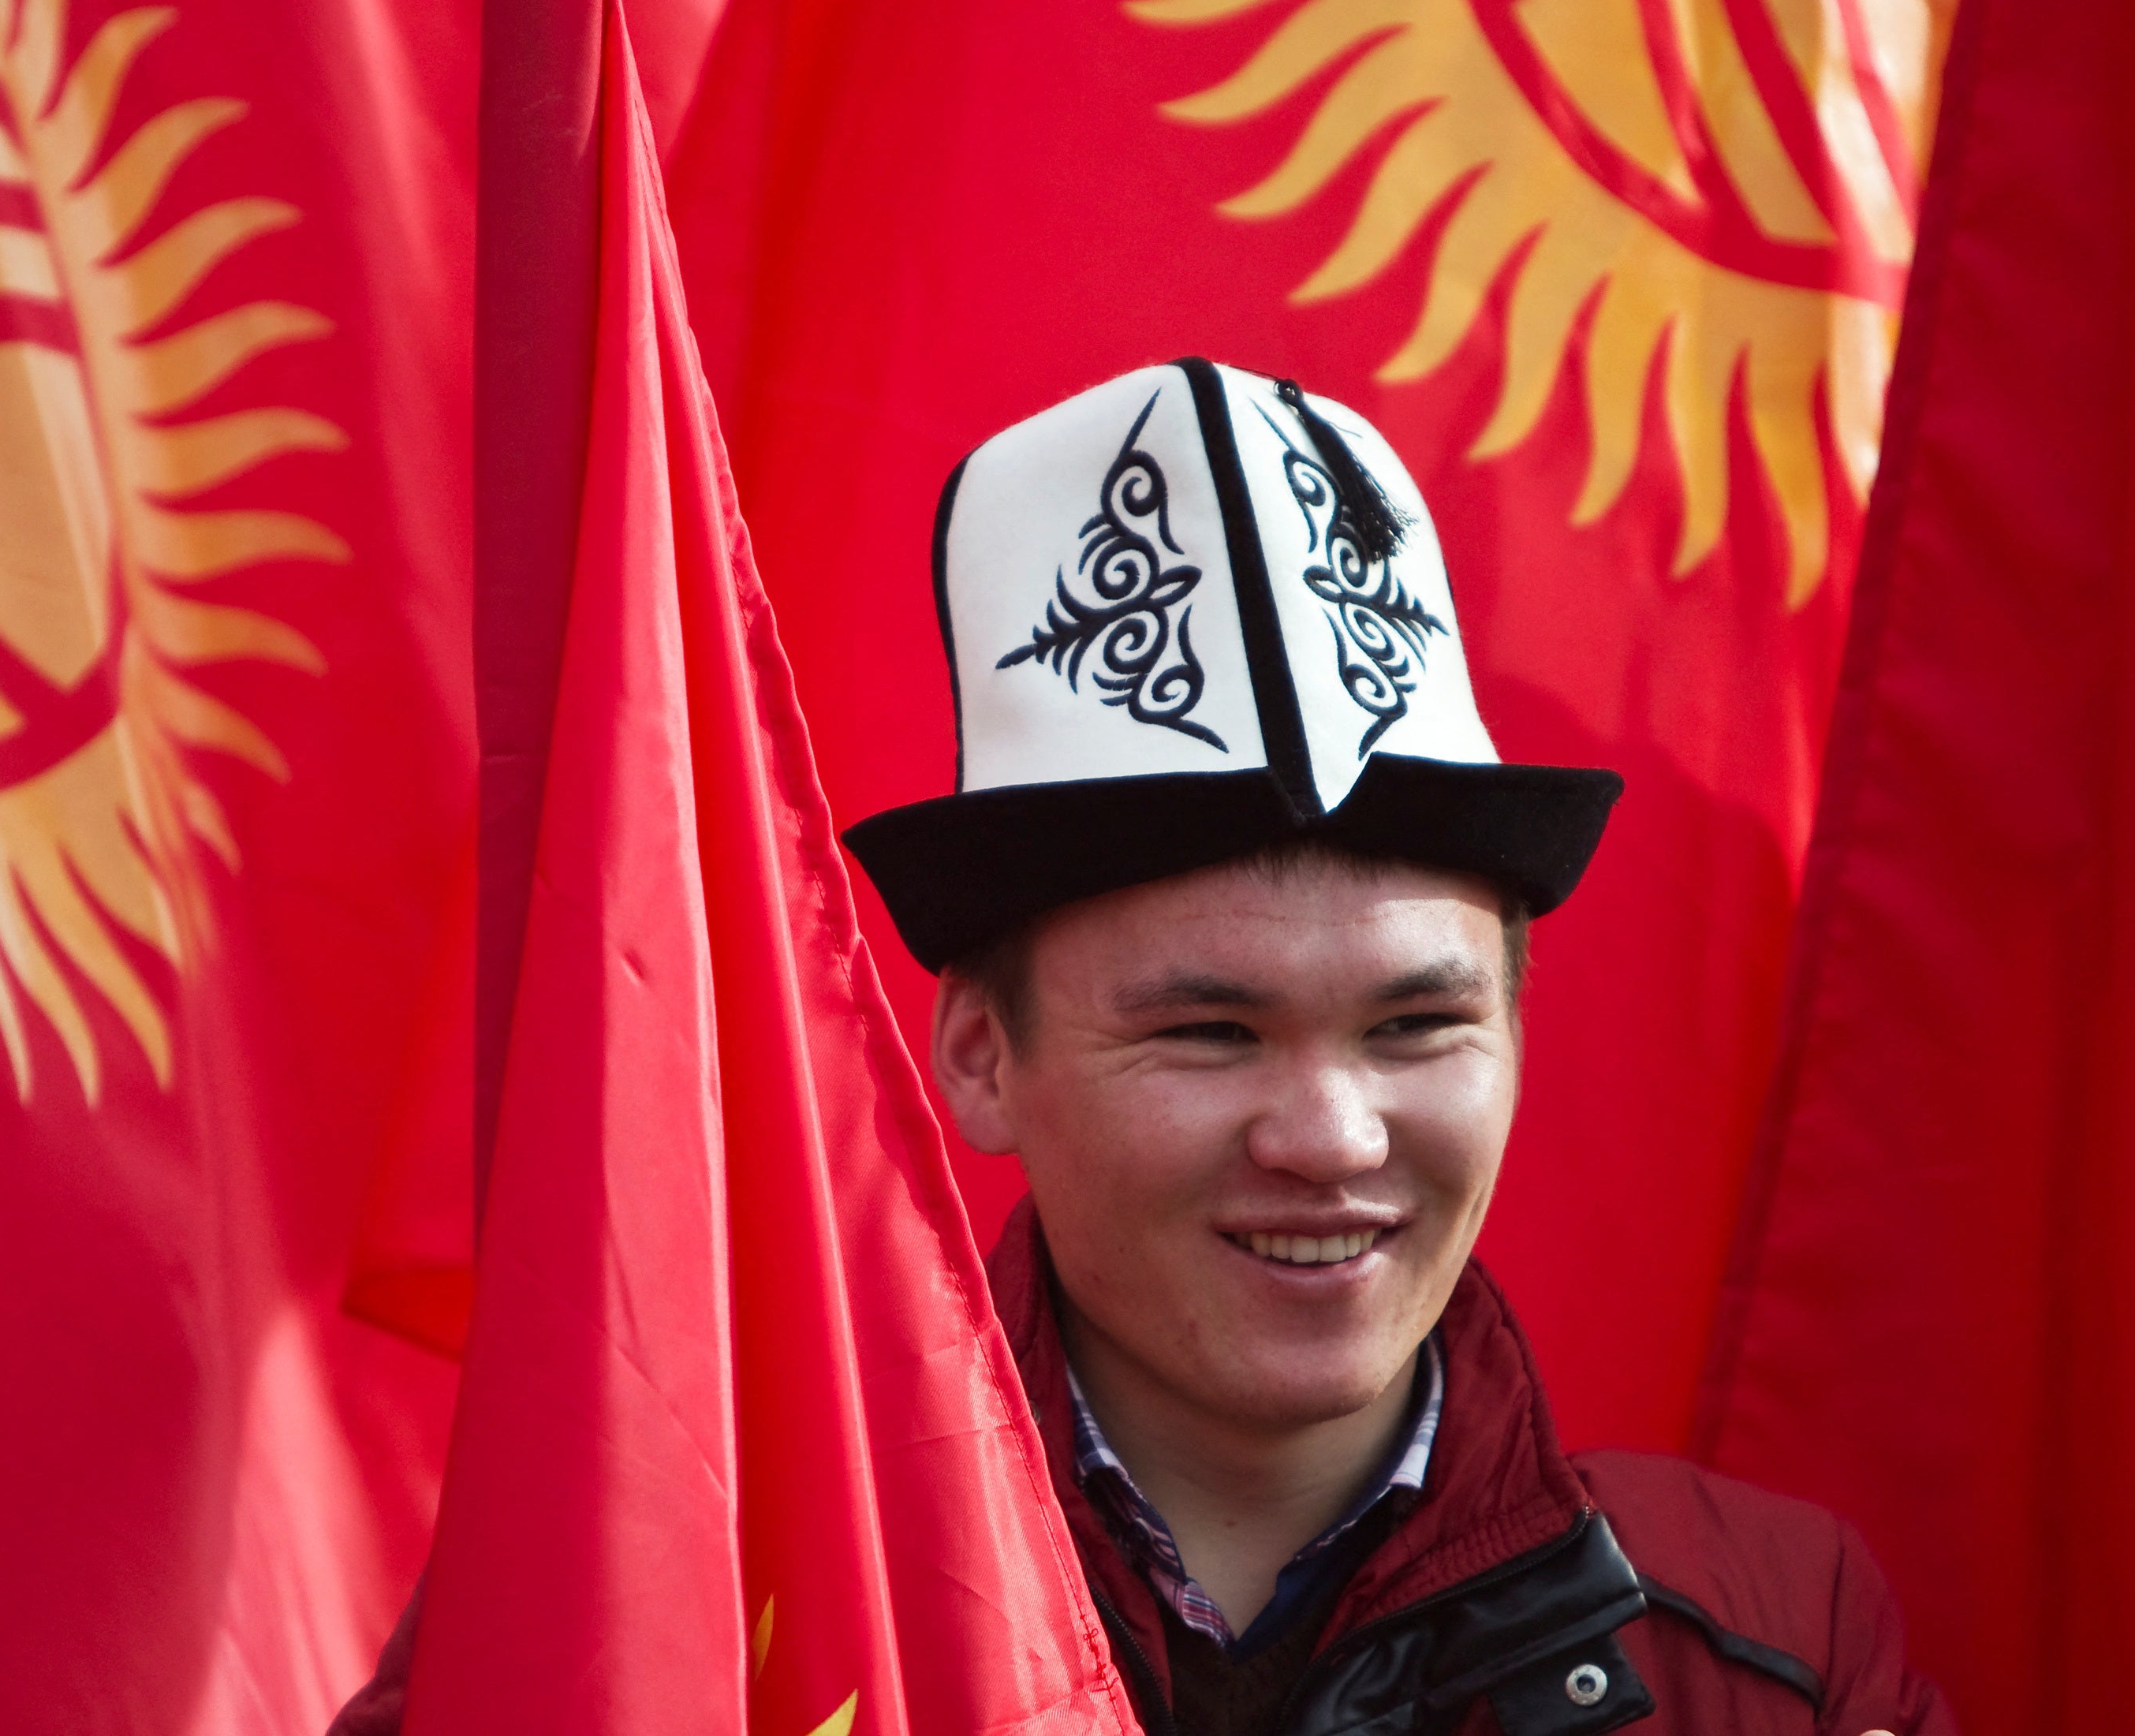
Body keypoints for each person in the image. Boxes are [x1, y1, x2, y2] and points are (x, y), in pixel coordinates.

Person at [835, 360, 1954, 1734]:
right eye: (1208, 1030)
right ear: (978, 1051)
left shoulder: (1774, 1646)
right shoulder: (760, 1612)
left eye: (1416, 1024)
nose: (1333, 1135)